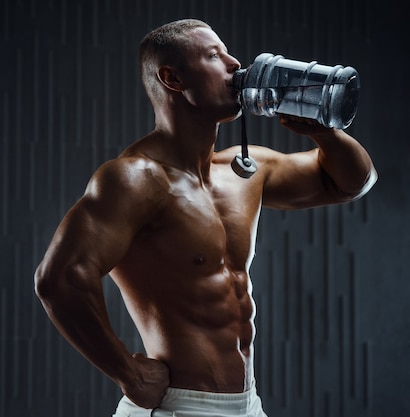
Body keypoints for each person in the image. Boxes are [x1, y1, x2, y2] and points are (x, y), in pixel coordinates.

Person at [34, 19, 377, 417]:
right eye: (214, 55)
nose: (234, 64)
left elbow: (352, 182)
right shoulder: (136, 178)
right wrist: (128, 372)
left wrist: (324, 133)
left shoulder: (242, 169)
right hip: (180, 407)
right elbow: (59, 278)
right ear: (172, 79)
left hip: (248, 405)